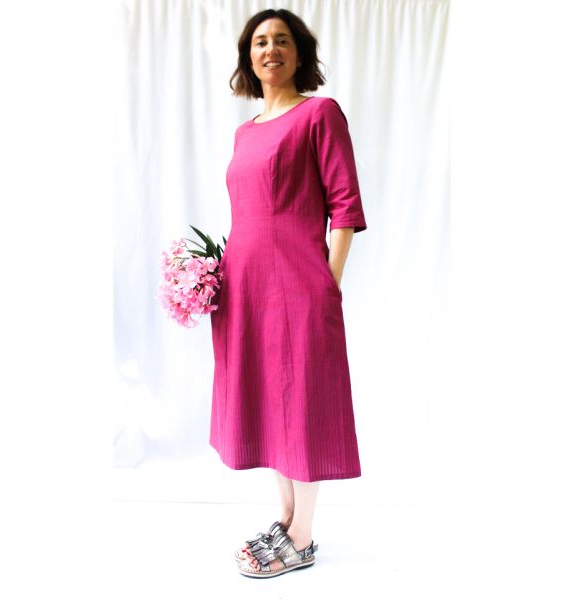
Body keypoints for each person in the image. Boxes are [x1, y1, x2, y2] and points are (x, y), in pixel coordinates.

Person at [209, 8, 368, 578]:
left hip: (299, 283)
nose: (269, 49)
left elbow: (344, 207)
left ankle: (302, 537)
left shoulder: (319, 114)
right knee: (267, 400)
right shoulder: (245, 132)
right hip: (245, 288)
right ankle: (285, 516)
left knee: (301, 400)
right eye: (259, 42)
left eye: (281, 40)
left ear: (299, 54)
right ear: (247, 58)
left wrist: (328, 282)